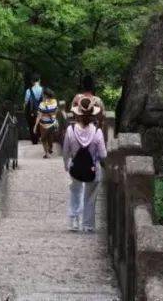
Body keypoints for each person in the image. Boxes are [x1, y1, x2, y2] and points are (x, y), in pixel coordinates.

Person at [63, 97, 107, 232]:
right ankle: (88, 225)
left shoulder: (70, 130)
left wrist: (66, 165)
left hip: (75, 167)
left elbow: (65, 151)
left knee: (75, 192)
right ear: (93, 114)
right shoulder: (97, 132)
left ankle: (74, 222)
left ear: (77, 114)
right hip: (92, 169)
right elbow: (104, 155)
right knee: (90, 197)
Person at [70, 73, 107, 140]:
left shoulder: (76, 99)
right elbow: (102, 118)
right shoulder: (98, 101)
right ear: (92, 86)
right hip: (93, 136)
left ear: (83, 86)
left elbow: (73, 114)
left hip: (78, 135)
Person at [34, 88, 62, 157]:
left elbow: (39, 115)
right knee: (46, 138)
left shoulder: (42, 104)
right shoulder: (54, 102)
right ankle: (47, 152)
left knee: (45, 138)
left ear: (45, 95)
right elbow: (55, 111)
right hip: (48, 123)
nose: (42, 96)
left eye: (43, 95)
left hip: (47, 123)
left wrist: (35, 125)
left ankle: (49, 149)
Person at [24, 76, 44, 142]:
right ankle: (40, 137)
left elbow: (26, 102)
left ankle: (34, 140)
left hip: (32, 112)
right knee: (40, 124)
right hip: (41, 111)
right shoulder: (42, 90)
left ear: (32, 82)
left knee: (32, 125)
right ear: (39, 80)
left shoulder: (28, 91)